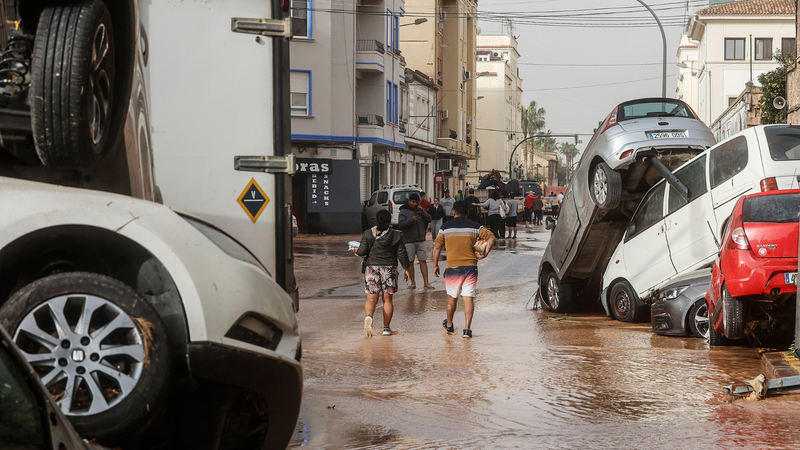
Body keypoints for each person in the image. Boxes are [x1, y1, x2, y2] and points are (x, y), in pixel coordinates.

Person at [433, 201, 496, 338]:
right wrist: (485, 253)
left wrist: (435, 264)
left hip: (452, 268)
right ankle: (467, 329)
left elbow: (437, 247)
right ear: (467, 213)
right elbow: (491, 237)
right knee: (468, 298)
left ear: (453, 212)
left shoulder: (445, 228)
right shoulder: (476, 227)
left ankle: (449, 326)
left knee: (452, 298)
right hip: (470, 267)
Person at [356, 210, 412, 337]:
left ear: (377, 219)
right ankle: (386, 329)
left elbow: (362, 251)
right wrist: (407, 268)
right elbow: (402, 253)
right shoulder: (396, 235)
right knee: (387, 300)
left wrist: (356, 249)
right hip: (389, 269)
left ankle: (369, 317)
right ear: (389, 220)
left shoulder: (368, 233)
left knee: (371, 299)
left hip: (372, 269)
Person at [398, 193, 433, 289]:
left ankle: (426, 282)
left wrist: (422, 211)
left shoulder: (420, 210)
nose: (414, 204)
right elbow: (400, 225)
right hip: (409, 240)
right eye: (412, 202)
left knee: (423, 261)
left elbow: (429, 219)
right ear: (409, 201)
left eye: (416, 202)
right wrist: (411, 221)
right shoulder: (404, 211)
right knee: (410, 261)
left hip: (421, 239)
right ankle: (413, 282)